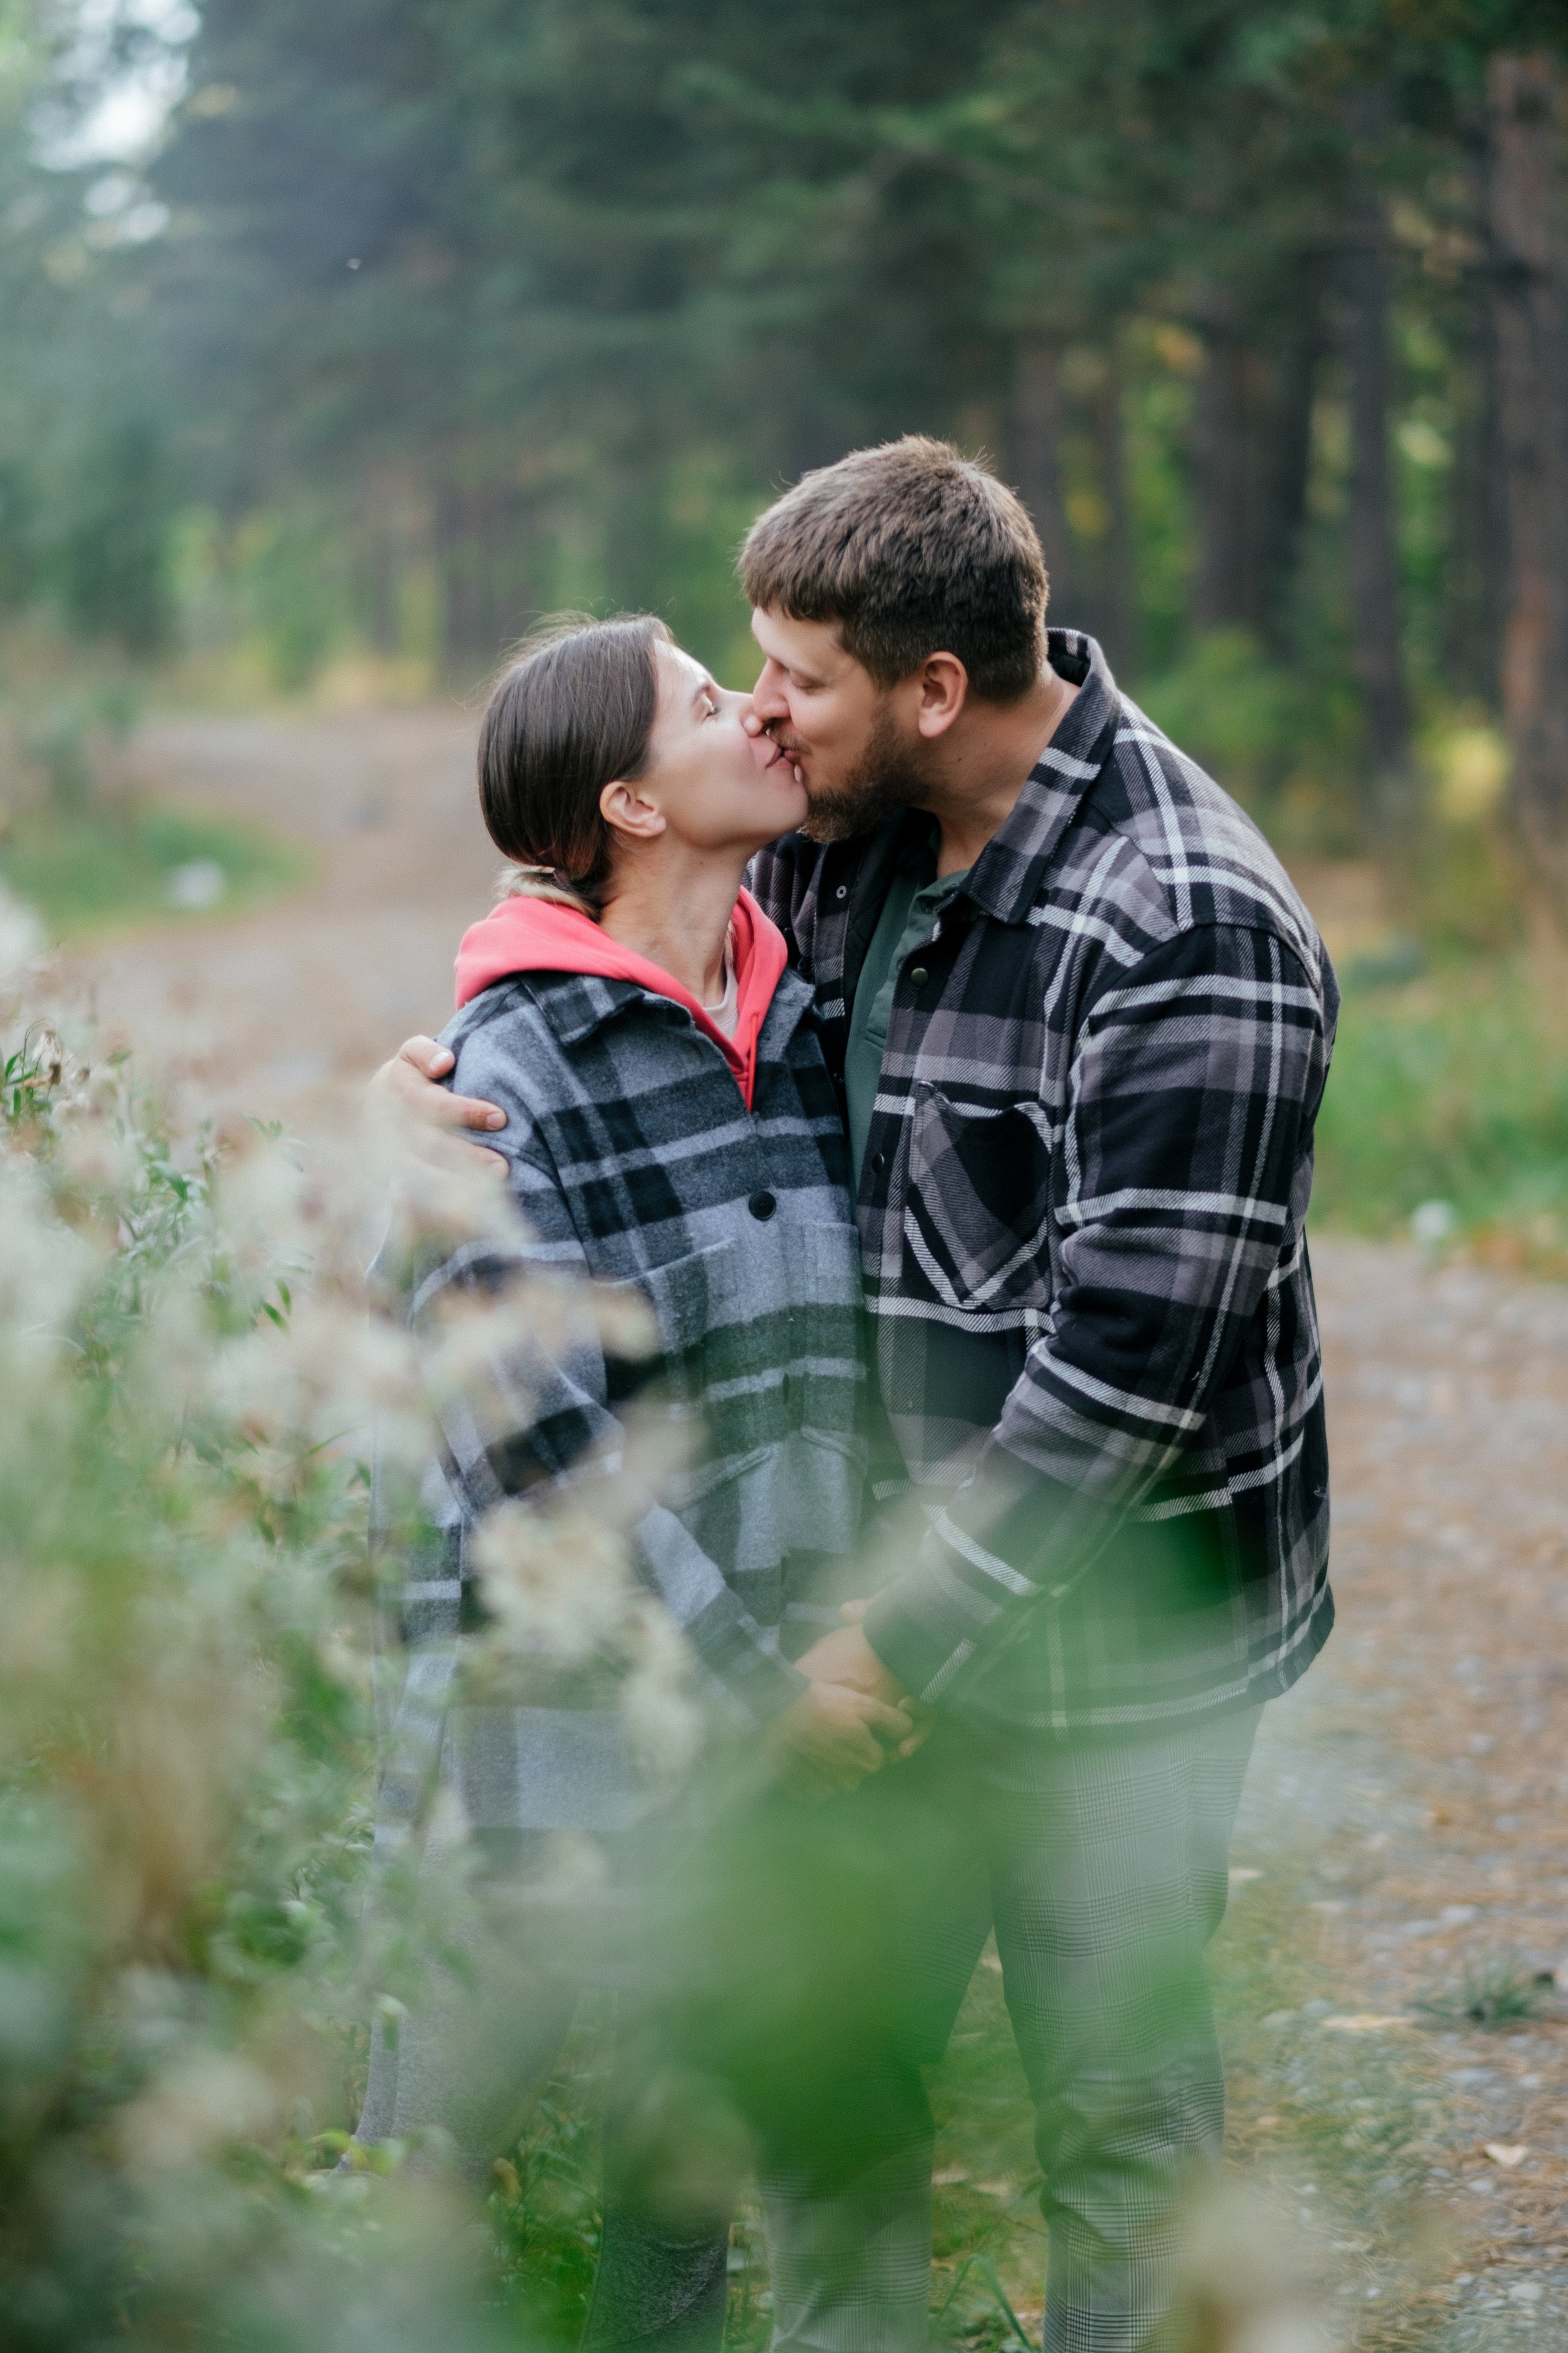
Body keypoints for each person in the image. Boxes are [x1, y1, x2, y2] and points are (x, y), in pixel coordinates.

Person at [375, 439, 1337, 2353]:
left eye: (797, 677)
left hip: (1090, 1658)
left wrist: (867, 1653)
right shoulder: (850, 839)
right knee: (832, 2107)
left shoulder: (1193, 924)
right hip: (852, 1635)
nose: (773, 716)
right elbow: (608, 947)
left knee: (1121, 2114)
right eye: (746, 676)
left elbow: (1126, 1378)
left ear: (936, 689)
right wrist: (402, 1115)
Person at [359, 612, 916, 2351]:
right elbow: (540, 1441)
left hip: (784, 1692)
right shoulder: (508, 1070)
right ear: (630, 800)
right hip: (569, 1713)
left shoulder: (808, 993)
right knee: (447, 2134)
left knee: (679, 2154)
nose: (750, 706)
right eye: (701, 698)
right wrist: (760, 1681)